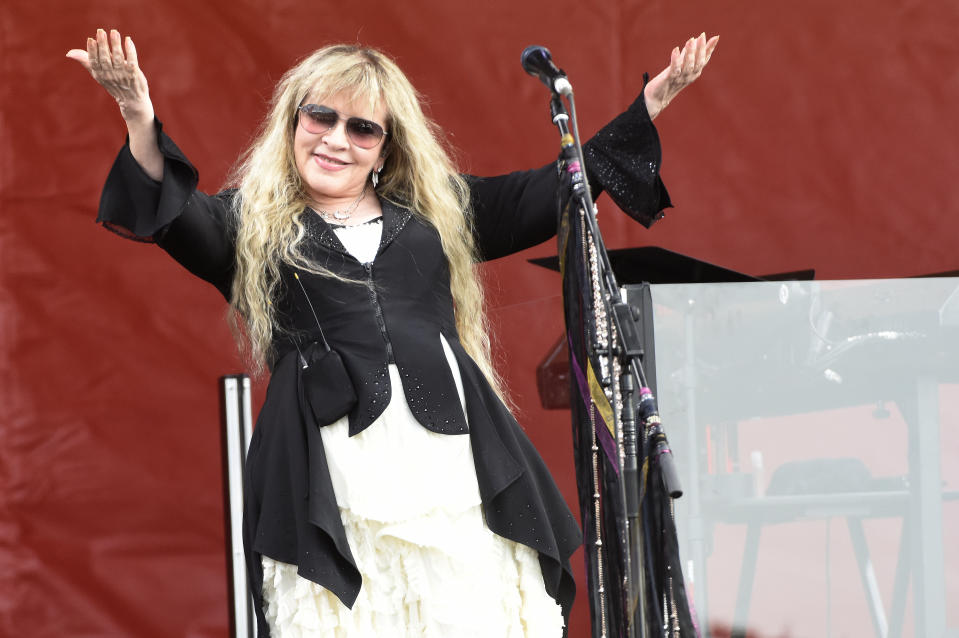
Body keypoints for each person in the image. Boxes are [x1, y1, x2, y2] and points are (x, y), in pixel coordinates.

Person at [67, 29, 718, 638]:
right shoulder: (252, 224)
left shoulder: (437, 212)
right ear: (293, 121)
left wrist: (650, 103)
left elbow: (549, 192)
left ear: (386, 147)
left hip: (453, 459)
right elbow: (173, 213)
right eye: (319, 117)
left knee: (468, 605)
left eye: (361, 128)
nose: (335, 139)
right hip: (332, 464)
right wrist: (137, 115)